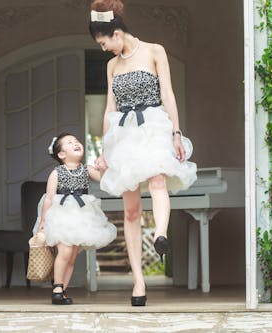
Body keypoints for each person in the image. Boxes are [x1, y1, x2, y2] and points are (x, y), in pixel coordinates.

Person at [89, 0, 197, 306]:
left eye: (103, 41)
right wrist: (105, 151)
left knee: (158, 181)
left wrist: (176, 132)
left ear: (117, 33)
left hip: (153, 125)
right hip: (123, 135)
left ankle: (160, 234)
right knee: (131, 211)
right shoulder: (111, 66)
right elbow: (110, 109)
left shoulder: (154, 51)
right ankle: (139, 282)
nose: (103, 48)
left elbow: (168, 94)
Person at [36, 133, 117, 305]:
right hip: (62, 215)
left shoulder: (86, 169)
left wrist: (104, 166)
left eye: (76, 141)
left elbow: (105, 180)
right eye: (69, 142)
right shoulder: (56, 173)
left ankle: (62, 292)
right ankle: (57, 286)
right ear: (61, 155)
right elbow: (49, 198)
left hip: (82, 216)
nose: (75, 143)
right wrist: (43, 222)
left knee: (72, 256)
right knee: (64, 252)